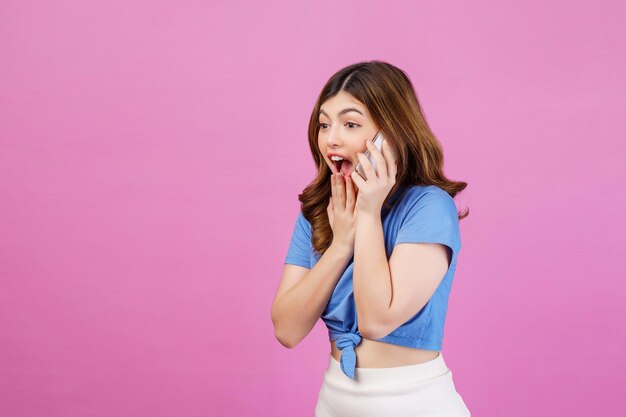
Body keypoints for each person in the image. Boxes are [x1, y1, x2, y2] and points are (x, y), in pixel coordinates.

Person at [271, 60, 471, 417]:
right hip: (335, 398)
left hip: (412, 402)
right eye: (324, 124)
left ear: (390, 133)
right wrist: (340, 245)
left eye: (350, 124)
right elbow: (287, 329)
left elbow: (377, 320)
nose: (331, 138)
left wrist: (367, 214)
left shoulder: (428, 207)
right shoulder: (320, 209)